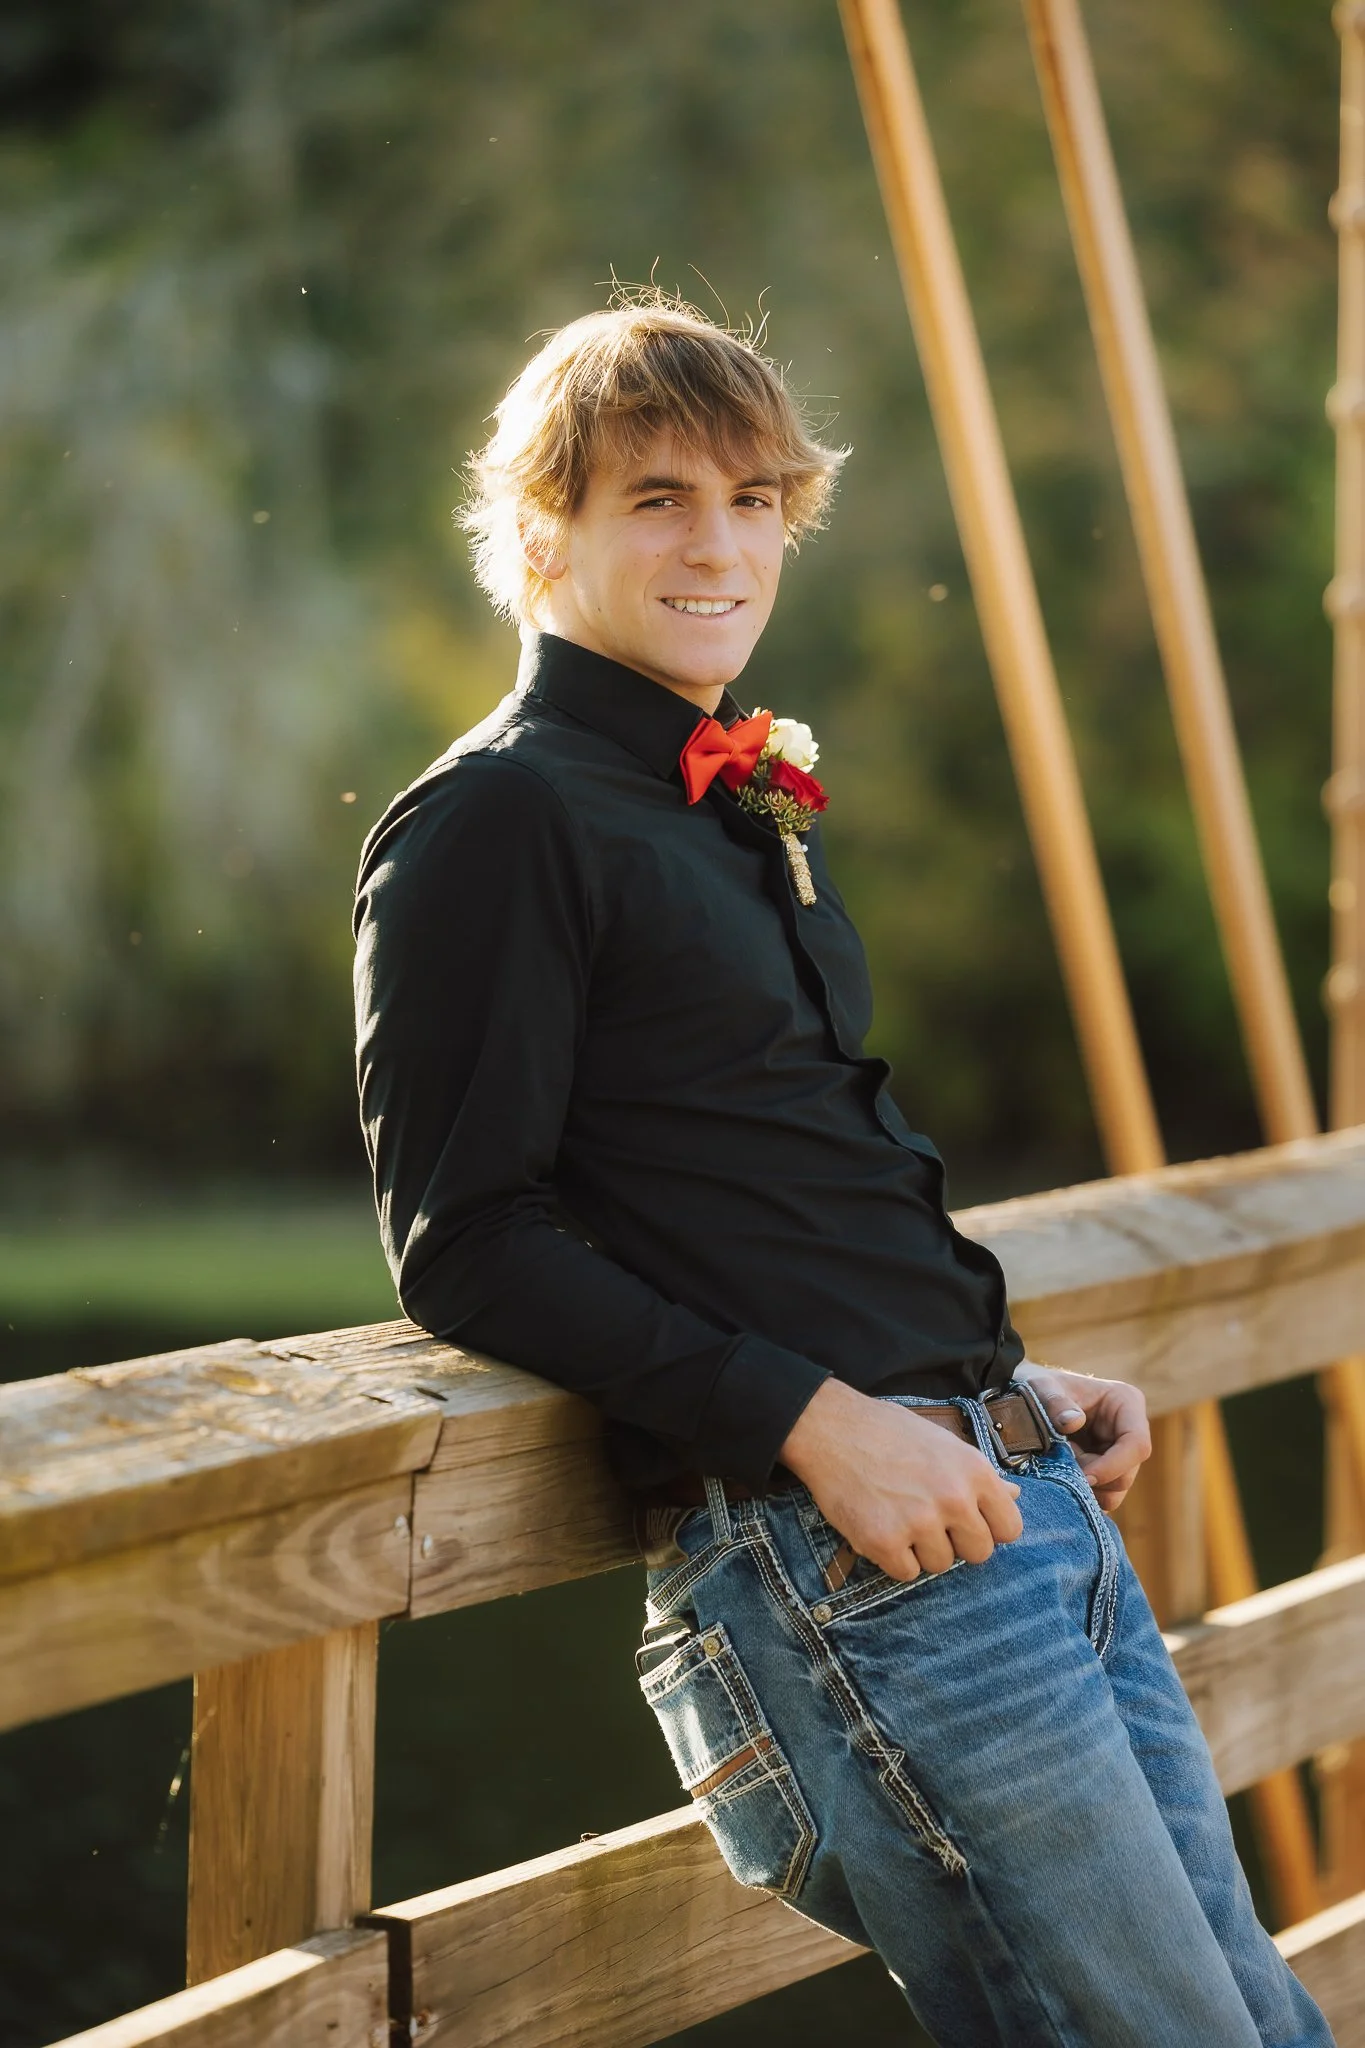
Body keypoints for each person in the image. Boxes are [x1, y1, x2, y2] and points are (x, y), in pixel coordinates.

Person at [353, 295, 1331, 2047]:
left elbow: (761, 1172)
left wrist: (987, 1373)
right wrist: (815, 1414)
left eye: (753, 500)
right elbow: (469, 1241)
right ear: (535, 533)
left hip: (1008, 1497)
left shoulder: (732, 797)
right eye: (655, 497)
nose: (718, 544)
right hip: (847, 1554)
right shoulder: (501, 819)